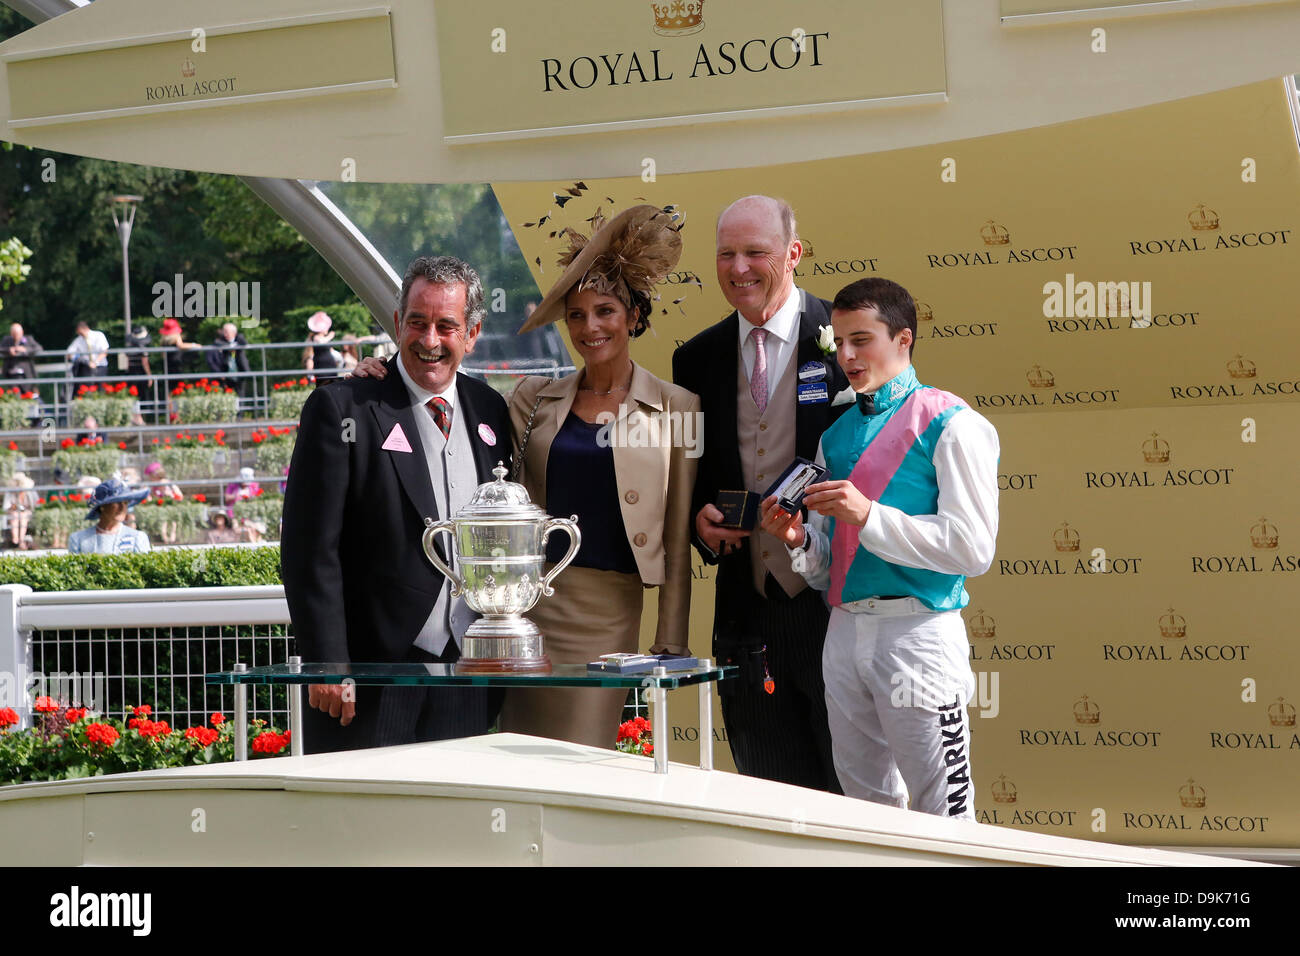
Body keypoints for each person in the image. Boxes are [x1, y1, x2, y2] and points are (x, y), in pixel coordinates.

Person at [356, 206, 699, 749]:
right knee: (518, 756)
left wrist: (671, 641)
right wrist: (381, 372)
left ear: (634, 316)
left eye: (605, 311)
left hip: (609, 617)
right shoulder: (533, 399)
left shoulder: (678, 407)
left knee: (582, 763)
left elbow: (677, 537)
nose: (590, 328)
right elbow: (445, 393)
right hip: (520, 614)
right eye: (577, 315)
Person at [759, 277, 999, 818]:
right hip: (843, 632)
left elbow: (972, 548)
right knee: (865, 812)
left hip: (918, 634)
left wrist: (868, 515)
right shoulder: (835, 435)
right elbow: (826, 570)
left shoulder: (953, 423)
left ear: (903, 340)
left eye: (861, 340)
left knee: (945, 812)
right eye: (839, 341)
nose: (846, 355)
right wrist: (798, 539)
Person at [280, 256, 511, 753]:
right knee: (367, 825)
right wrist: (327, 664)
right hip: (368, 680)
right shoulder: (344, 408)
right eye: (417, 322)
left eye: (446, 326)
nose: (430, 340)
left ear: (471, 333)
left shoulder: (491, 408)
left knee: (458, 823)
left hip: (468, 670)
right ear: (396, 322)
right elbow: (309, 552)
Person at [672, 195, 850, 793]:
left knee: (853, 792)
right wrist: (699, 519)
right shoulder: (694, 358)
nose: (739, 267)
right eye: (726, 254)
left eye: (756, 252)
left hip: (836, 604)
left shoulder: (845, 338)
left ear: (793, 255)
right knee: (767, 789)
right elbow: (692, 467)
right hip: (744, 609)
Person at [67, 477, 151, 554]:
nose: (122, 508)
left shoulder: (137, 538)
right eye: (116, 503)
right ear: (102, 506)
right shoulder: (79, 539)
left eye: (125, 503)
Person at [205, 322, 252, 397]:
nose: (225, 334)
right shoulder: (220, 341)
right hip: (227, 373)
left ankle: (241, 408)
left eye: (227, 332)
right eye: (224, 332)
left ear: (234, 332)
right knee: (227, 395)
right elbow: (217, 343)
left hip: (239, 372)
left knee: (241, 395)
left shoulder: (239, 338)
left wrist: (234, 346)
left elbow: (244, 343)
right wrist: (229, 346)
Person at [303, 311, 340, 383]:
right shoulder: (316, 337)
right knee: (323, 383)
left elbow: (330, 349)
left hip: (330, 365)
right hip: (321, 365)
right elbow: (321, 342)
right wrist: (330, 336)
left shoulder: (324, 337)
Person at [4, 471, 35, 549]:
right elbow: (6, 507)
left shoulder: (28, 493)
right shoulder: (10, 493)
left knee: (23, 516)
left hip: (25, 513)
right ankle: (16, 539)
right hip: (13, 513)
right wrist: (14, 507)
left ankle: (21, 540)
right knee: (15, 515)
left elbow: (33, 506)